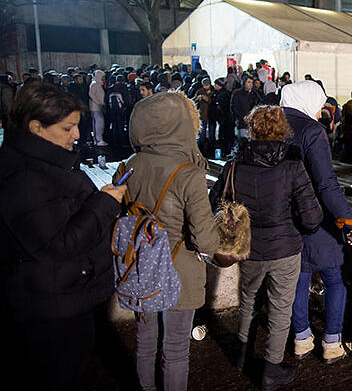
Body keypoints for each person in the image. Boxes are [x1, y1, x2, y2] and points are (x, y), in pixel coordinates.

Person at [0, 83, 126, 388]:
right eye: (68, 127)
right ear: (36, 127)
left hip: (63, 296)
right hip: (49, 308)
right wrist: (106, 203)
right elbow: (57, 244)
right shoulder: (26, 178)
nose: (78, 135)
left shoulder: (46, 161)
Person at [209, 106, 323, 389]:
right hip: (285, 249)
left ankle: (242, 355)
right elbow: (312, 219)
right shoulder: (293, 166)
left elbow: (215, 203)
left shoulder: (234, 165)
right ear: (282, 130)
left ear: (252, 128)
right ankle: (271, 370)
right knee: (280, 308)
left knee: (248, 300)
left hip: (249, 248)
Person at [118, 91, 219, 391]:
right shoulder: (189, 173)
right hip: (179, 270)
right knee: (175, 349)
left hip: (141, 266)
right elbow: (204, 239)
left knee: (145, 341)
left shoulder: (129, 165)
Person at [280, 80, 352, 364]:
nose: (319, 112)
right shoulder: (311, 131)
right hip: (316, 215)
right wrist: (348, 221)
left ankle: (301, 339)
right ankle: (332, 342)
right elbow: (326, 183)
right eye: (318, 105)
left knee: (298, 279)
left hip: (284, 217)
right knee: (335, 279)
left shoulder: (272, 123)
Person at [194, 78, 216, 156]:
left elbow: (213, 101)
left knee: (211, 135)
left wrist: (206, 98)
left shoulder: (213, 91)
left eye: (207, 85)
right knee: (202, 134)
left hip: (211, 116)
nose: (206, 86)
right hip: (203, 115)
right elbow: (194, 102)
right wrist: (198, 99)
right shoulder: (199, 91)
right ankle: (202, 151)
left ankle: (211, 151)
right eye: (204, 85)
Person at [214, 78, 235, 157]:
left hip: (224, 119)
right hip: (228, 118)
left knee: (224, 136)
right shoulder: (226, 92)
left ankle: (225, 152)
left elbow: (221, 107)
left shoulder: (221, 94)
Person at [89, 69, 107, 146]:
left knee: (100, 123)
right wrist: (99, 103)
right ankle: (98, 139)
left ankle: (99, 139)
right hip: (95, 107)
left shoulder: (99, 85)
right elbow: (92, 95)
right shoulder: (94, 84)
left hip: (99, 106)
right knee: (98, 123)